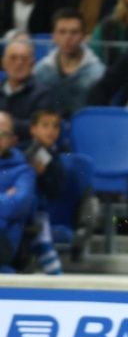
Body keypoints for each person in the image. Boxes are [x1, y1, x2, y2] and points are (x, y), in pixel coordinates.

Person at [33, 8, 106, 117]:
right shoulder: (41, 71)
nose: (68, 38)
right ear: (54, 36)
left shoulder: (98, 73)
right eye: (62, 32)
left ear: (83, 36)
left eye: (74, 32)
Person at [23, 108, 64, 274]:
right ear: (33, 129)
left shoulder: (55, 159)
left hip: (41, 210)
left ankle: (48, 257)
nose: (51, 131)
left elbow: (56, 191)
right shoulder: (20, 151)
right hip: (21, 207)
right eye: (45, 125)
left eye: (55, 126)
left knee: (40, 220)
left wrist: (42, 175)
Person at [0, 111, 36, 273]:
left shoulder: (24, 172)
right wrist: (4, 197)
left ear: (13, 140)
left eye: (2, 134)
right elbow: (7, 204)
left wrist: (9, 201)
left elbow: (17, 205)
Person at [0, 38, 50, 141]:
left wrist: (6, 123)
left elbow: (40, 129)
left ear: (33, 63)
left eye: (24, 59)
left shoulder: (43, 94)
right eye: (13, 58)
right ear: (3, 63)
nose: (19, 63)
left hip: (25, 151)